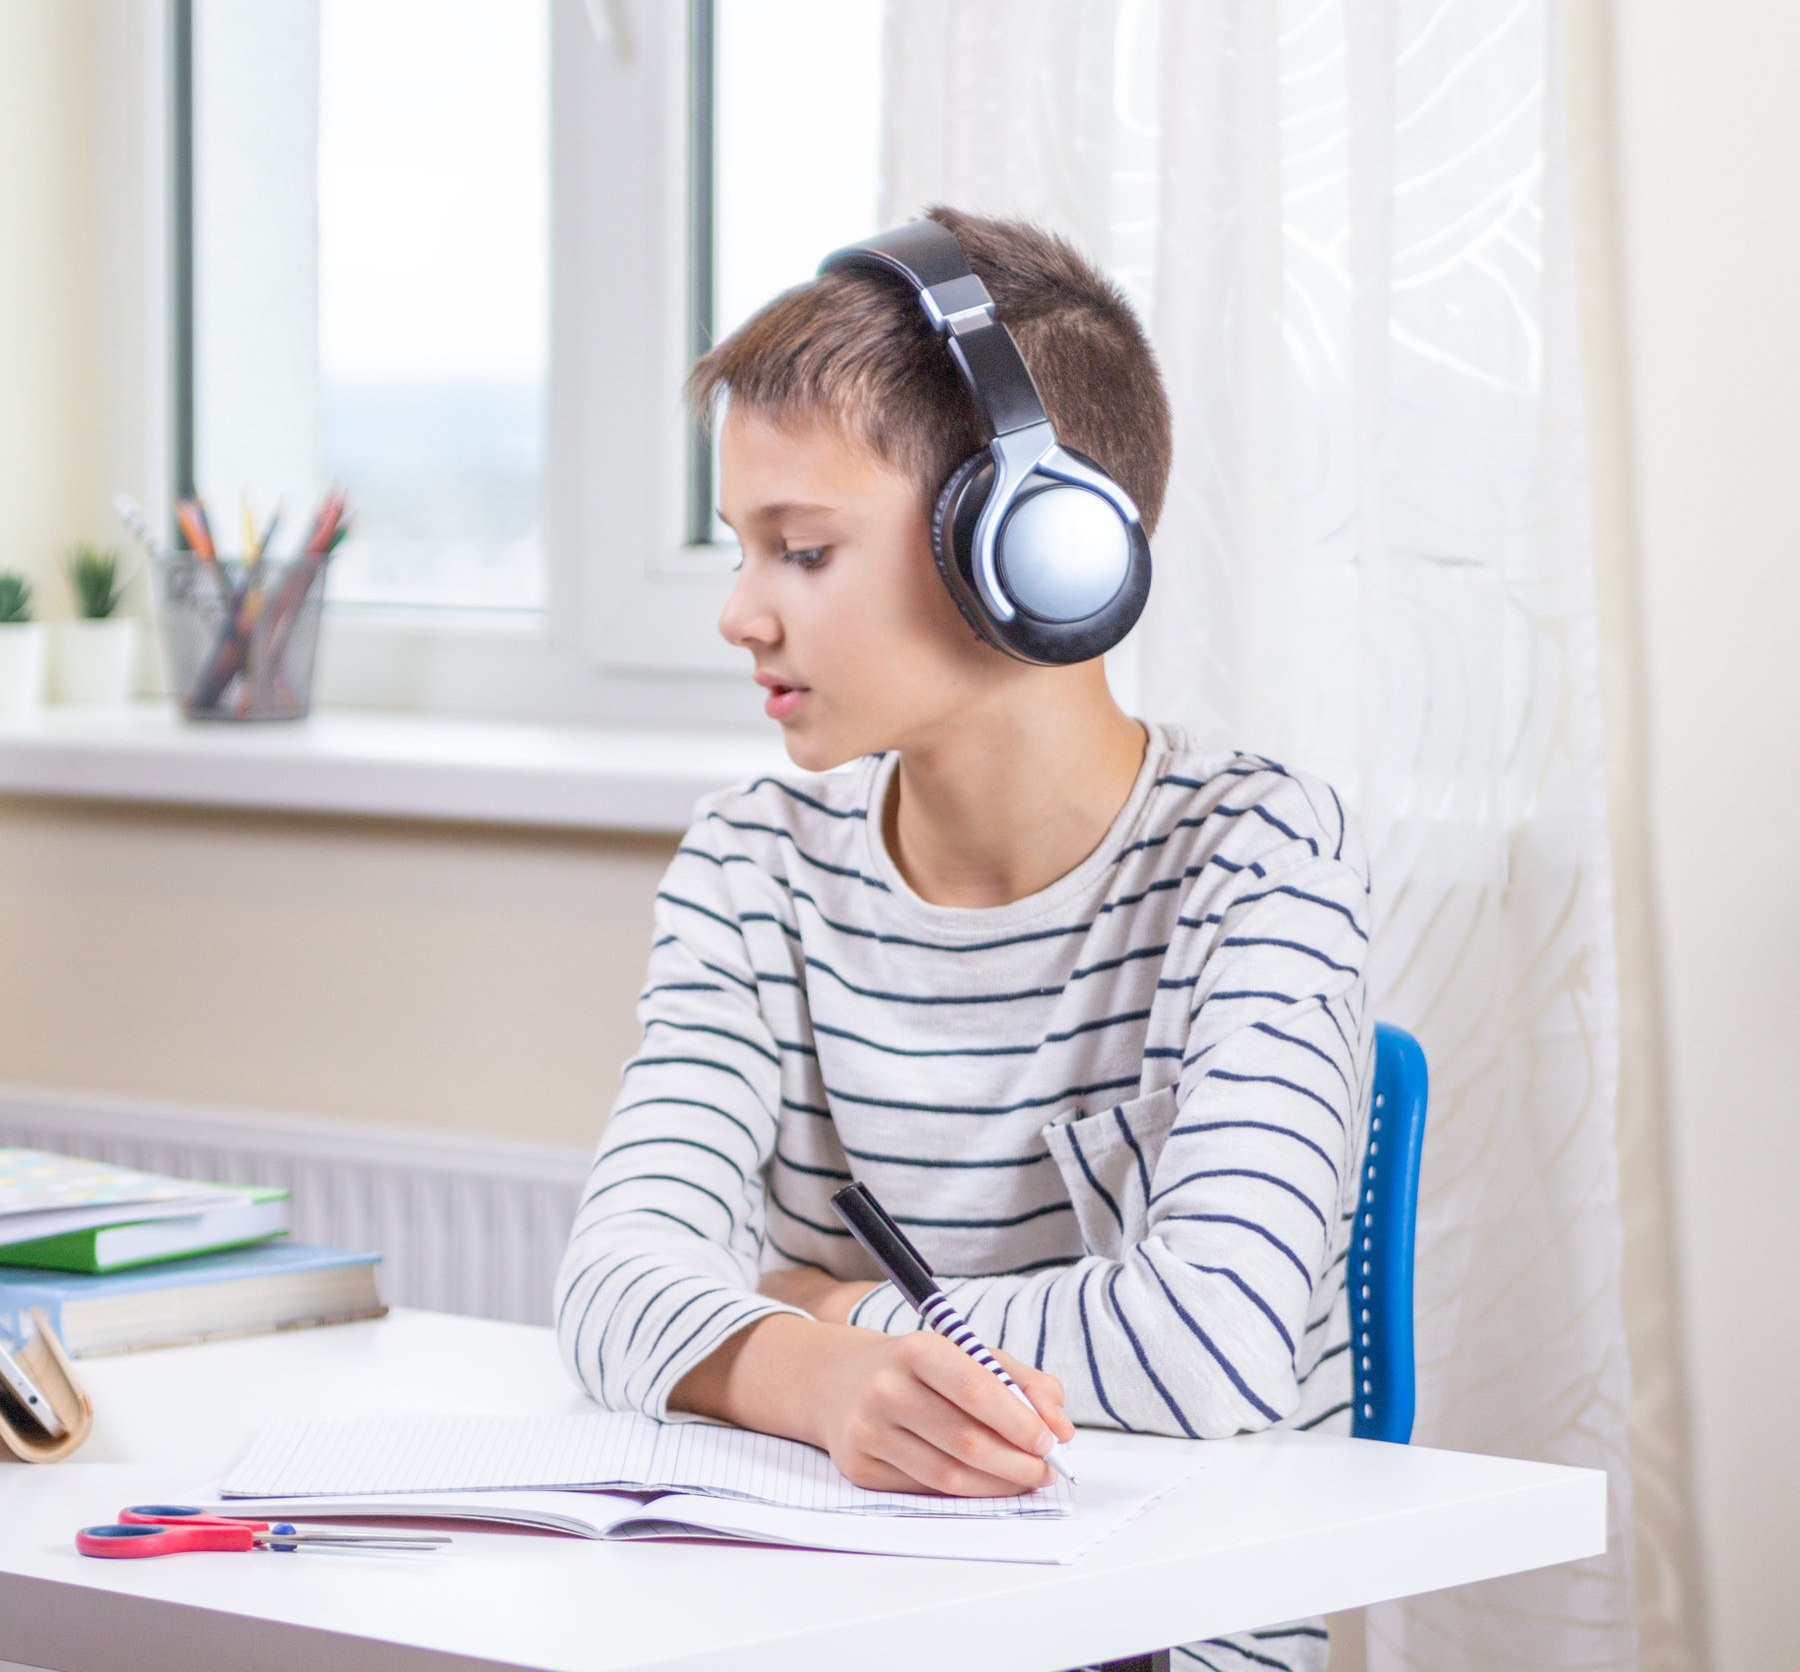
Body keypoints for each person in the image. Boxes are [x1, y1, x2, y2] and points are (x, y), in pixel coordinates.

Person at [552, 207, 1368, 1672]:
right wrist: (817, 1377)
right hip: (820, 1623)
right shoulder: (753, 862)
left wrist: (821, 1299)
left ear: (1031, 551)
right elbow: (615, 1281)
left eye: (801, 551)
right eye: (743, 551)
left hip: (1147, 1641)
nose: (741, 614)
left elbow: (1215, 1340)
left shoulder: (1257, 859)